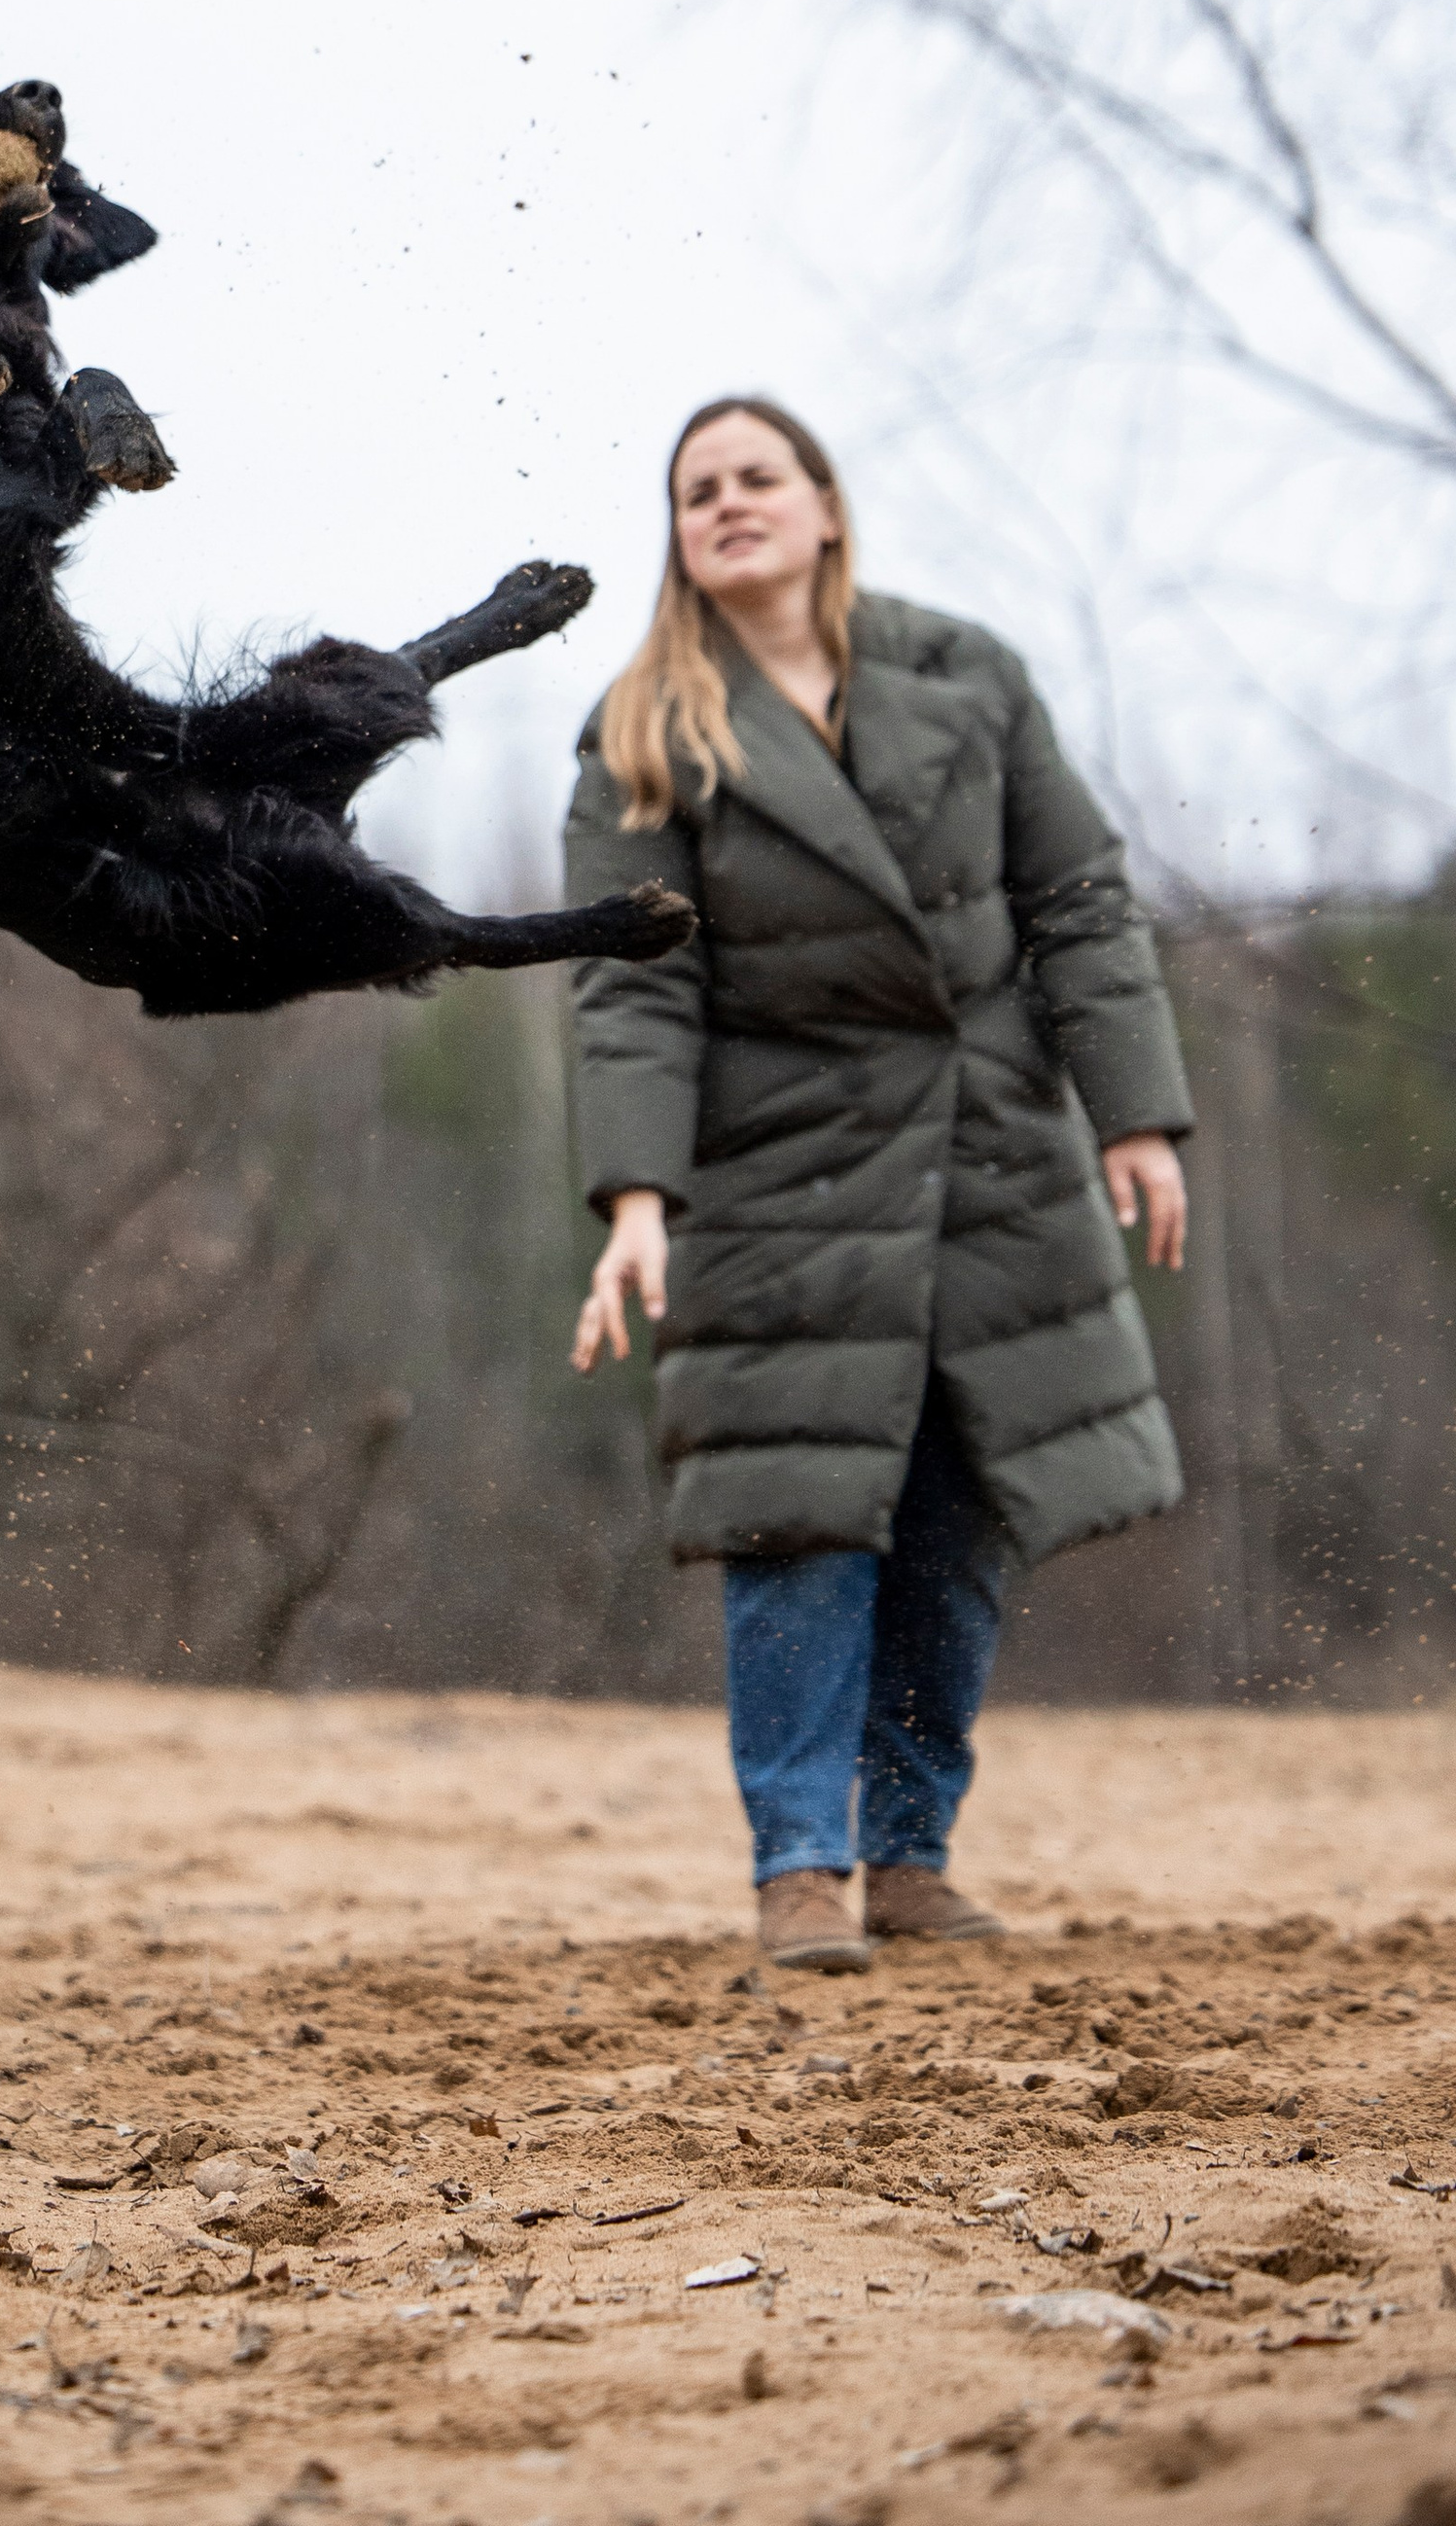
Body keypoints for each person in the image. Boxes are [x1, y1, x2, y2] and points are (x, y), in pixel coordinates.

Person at [562, 398, 1190, 1972]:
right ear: (680, 536)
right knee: (801, 1514)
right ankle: (800, 1865)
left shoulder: (968, 674)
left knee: (959, 1510)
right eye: (696, 490)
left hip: (991, 1156)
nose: (728, 504)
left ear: (827, 506)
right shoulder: (647, 724)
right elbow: (634, 991)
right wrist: (637, 1197)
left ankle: (912, 1852)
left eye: (757, 477)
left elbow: (1078, 902)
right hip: (781, 1174)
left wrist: (1136, 1114)